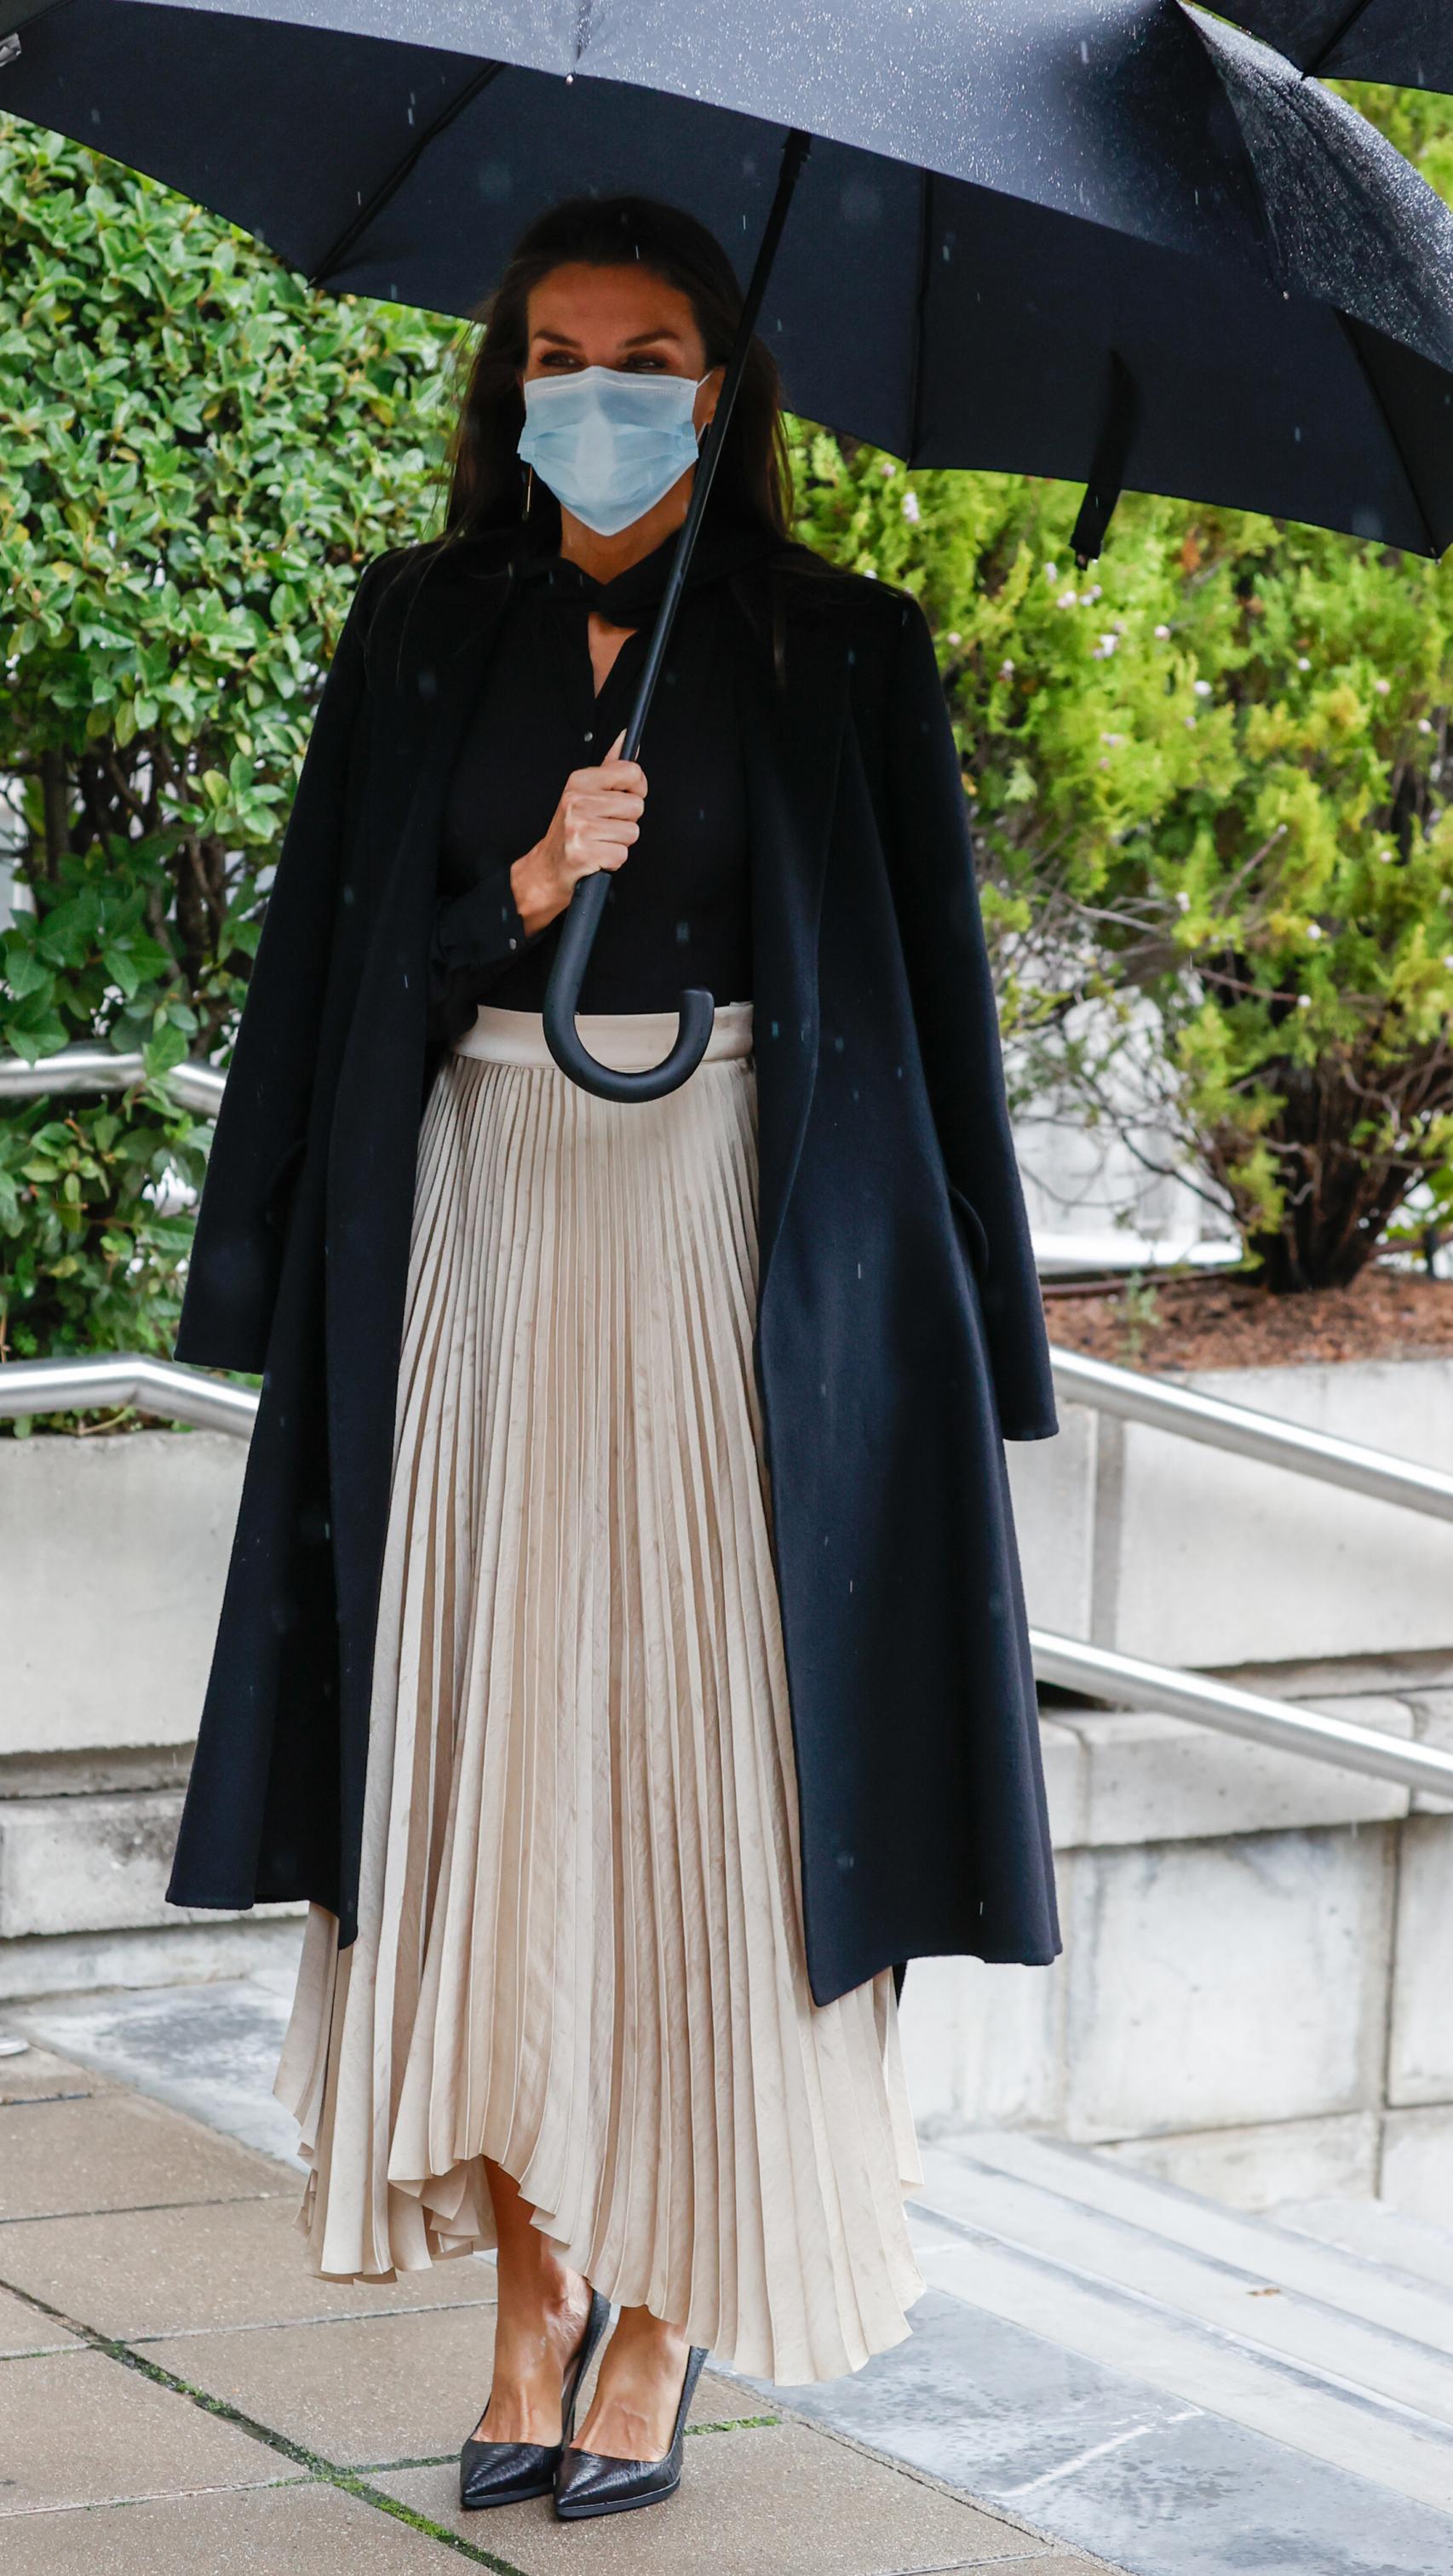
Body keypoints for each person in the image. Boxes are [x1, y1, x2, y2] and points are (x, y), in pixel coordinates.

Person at [168, 192, 1060, 2523]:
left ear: (721, 387)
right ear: (505, 386)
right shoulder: (420, 626)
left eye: (643, 351)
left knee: (711, 1789)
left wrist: (976, 1333)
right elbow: (338, 968)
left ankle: (663, 2316)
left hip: (726, 1259)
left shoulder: (836, 648)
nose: (594, 390)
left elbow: (926, 1017)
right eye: (555, 352)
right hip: (469, 1243)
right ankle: (531, 2297)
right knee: (491, 1774)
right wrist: (529, 892)